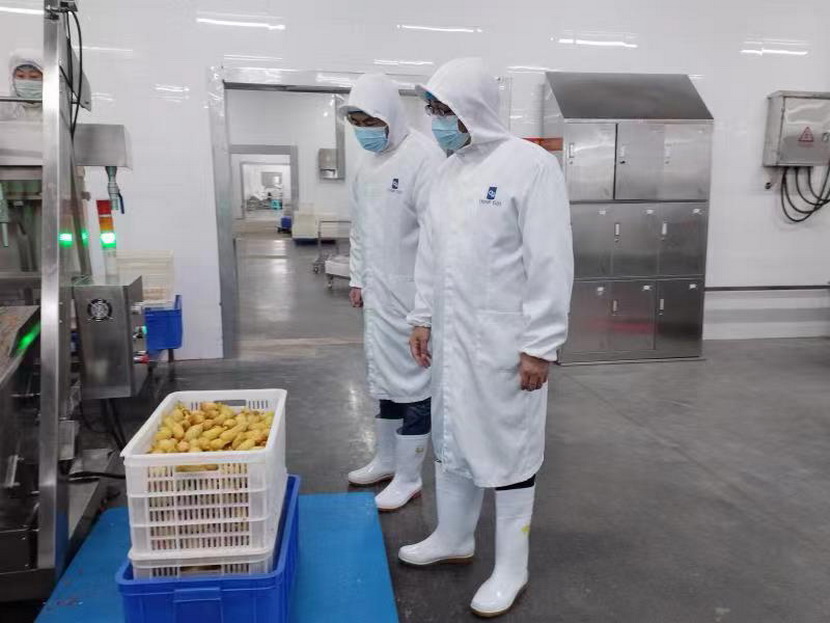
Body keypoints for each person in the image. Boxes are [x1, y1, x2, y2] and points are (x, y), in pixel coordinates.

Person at [399, 58, 574, 618]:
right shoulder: (447, 172)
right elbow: (429, 255)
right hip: (451, 339)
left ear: (473, 108)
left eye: (444, 109)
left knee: (509, 448)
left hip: (504, 341)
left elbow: (550, 261)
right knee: (453, 437)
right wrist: (421, 317)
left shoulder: (530, 166)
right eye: (432, 110)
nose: (436, 121)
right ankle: (454, 537)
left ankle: (512, 566)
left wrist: (540, 345)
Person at [340, 73, 444, 511]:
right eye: (357, 122)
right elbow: (360, 229)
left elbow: (437, 239)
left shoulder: (424, 157)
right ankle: (385, 459)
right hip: (379, 295)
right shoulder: (366, 164)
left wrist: (425, 312)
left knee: (415, 382)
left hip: (416, 296)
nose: (365, 130)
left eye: (372, 121)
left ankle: (409, 476)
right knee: (384, 378)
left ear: (392, 116)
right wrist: (357, 277)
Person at [1, 49, 43, 121]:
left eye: (34, 76)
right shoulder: (4, 109)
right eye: (20, 76)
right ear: (12, 79)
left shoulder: (58, 109)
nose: (27, 81)